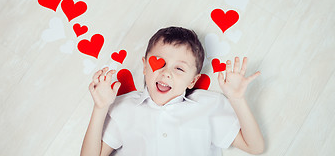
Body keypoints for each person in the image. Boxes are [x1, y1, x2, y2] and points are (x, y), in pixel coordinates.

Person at [80, 27, 265, 156]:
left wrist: (237, 99)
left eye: (179, 69)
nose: (166, 73)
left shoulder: (209, 106)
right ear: (145, 66)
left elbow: (255, 147)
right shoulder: (124, 108)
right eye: (159, 62)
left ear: (193, 80)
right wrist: (100, 108)